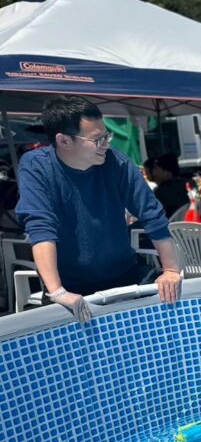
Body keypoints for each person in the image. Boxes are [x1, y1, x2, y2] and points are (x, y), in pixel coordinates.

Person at [16, 96, 181, 323]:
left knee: (171, 319)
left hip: (125, 273)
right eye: (97, 139)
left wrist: (170, 270)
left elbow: (152, 215)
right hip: (69, 285)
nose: (106, 144)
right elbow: (41, 227)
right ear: (64, 141)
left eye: (107, 136)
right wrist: (57, 291)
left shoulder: (117, 162)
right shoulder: (36, 166)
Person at [144, 152, 190, 219]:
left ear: (167, 172)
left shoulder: (162, 193)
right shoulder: (185, 185)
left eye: (156, 168)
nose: (154, 172)